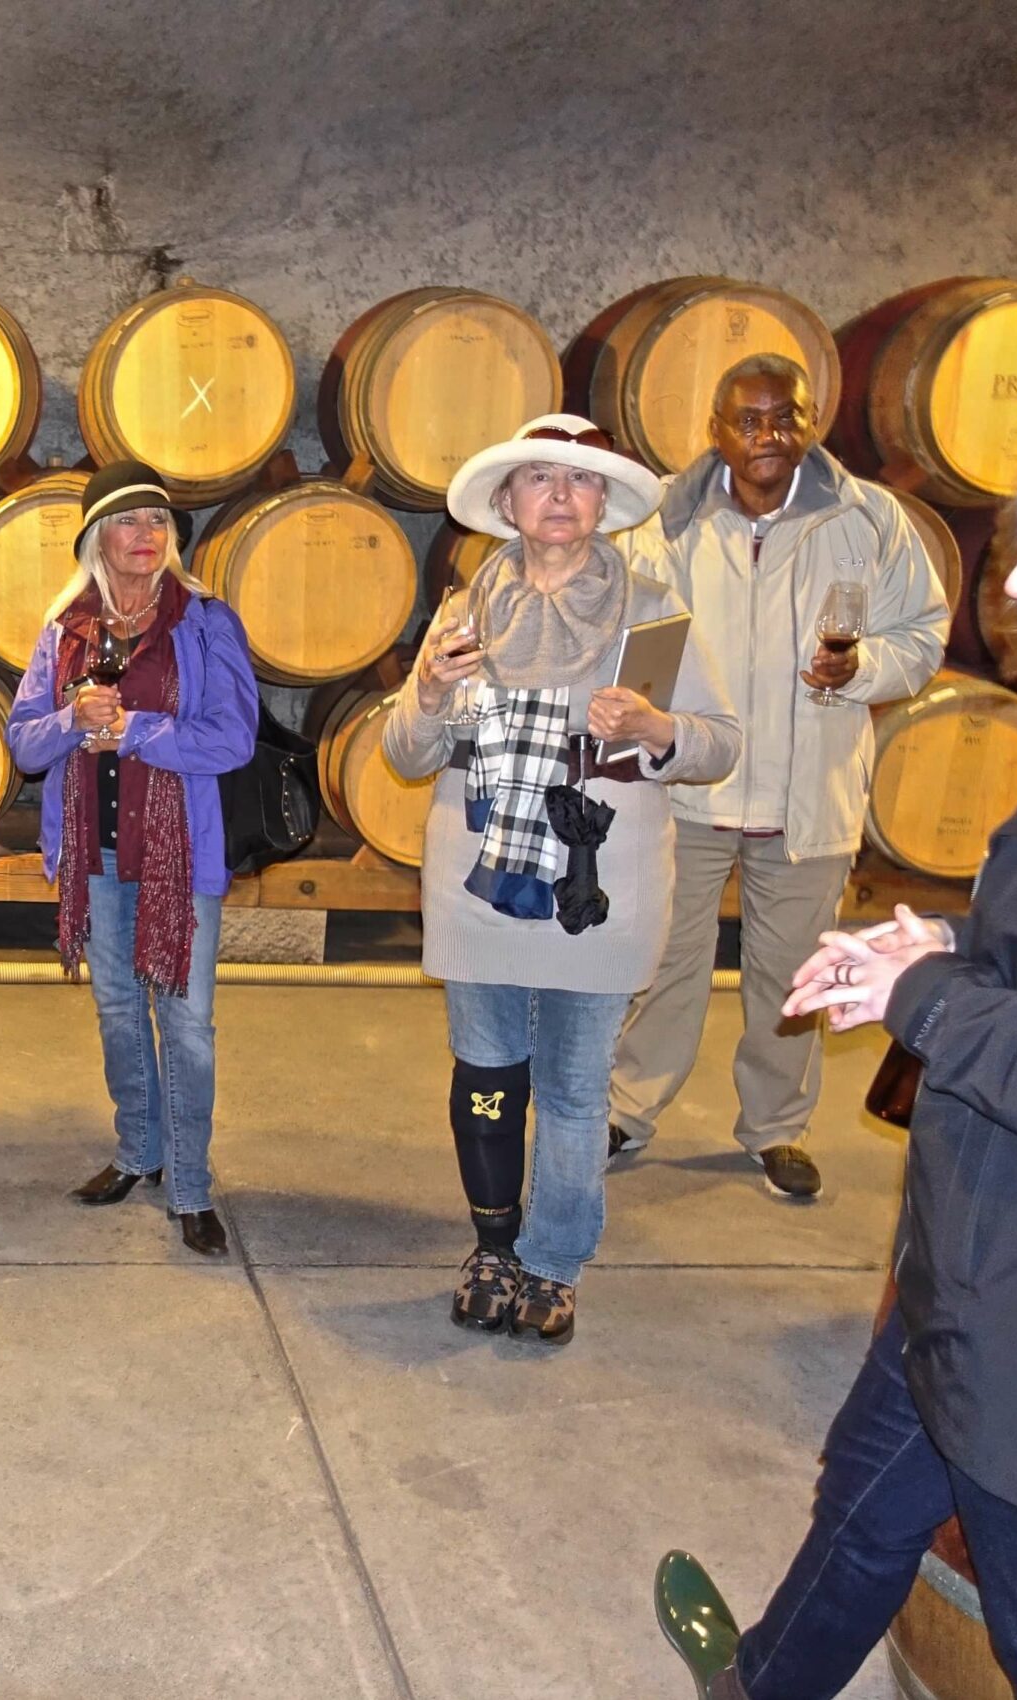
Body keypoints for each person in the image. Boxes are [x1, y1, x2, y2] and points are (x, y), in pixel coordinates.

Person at [657, 404, 1017, 1699]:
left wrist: (935, 999)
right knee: (862, 1509)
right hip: (977, 1281)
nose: (1014, 582)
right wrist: (942, 948)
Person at [384, 416, 739, 1341]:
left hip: (600, 884)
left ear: (603, 508)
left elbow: (719, 744)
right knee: (488, 1075)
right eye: (538, 478)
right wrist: (424, 692)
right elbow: (406, 751)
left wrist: (659, 731)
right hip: (479, 882)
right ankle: (494, 1244)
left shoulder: (652, 614)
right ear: (507, 503)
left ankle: (553, 1261)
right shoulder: (464, 617)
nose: (556, 496)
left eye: (577, 483)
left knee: (578, 1090)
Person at [608, 354, 949, 1199]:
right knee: (662, 964)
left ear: (813, 421)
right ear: (717, 430)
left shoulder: (870, 520)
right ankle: (627, 1108)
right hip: (687, 785)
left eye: (786, 418)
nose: (770, 436)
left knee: (792, 974)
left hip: (810, 789)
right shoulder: (664, 522)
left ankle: (776, 1127)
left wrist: (862, 667)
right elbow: (633, 639)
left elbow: (925, 632)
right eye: (749, 421)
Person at [6, 461, 259, 1257]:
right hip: (95, 853)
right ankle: (136, 1151)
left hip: (180, 854)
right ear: (95, 538)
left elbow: (232, 738)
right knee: (119, 1011)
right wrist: (74, 721)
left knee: (185, 1024)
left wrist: (137, 730)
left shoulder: (206, 622)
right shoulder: (65, 629)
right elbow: (23, 744)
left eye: (157, 520)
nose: (146, 535)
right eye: (127, 520)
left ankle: (189, 1183)